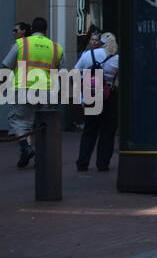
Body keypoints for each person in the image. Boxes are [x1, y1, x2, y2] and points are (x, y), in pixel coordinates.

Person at [2, 17, 64, 168]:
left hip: (24, 88)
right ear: (45, 30)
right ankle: (39, 155)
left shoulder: (21, 44)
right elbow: (61, 73)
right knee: (43, 123)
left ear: (32, 28)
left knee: (20, 122)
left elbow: (5, 65)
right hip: (47, 91)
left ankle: (26, 148)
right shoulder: (56, 48)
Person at [73, 32, 119, 171]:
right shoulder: (117, 58)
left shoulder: (88, 55)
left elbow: (76, 72)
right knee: (107, 131)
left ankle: (82, 162)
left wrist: (80, 97)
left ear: (100, 41)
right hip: (108, 96)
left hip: (90, 93)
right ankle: (102, 163)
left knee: (89, 130)